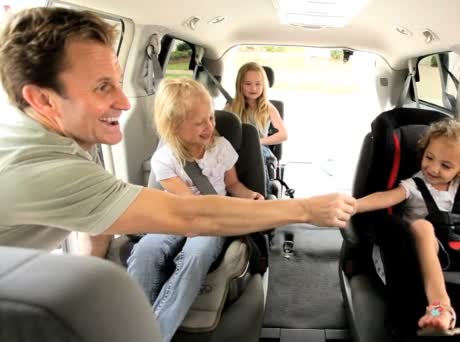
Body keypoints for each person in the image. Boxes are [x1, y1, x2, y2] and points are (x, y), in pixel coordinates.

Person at [0, 8, 354, 255]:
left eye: (120, 83)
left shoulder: (61, 137)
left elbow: (95, 221)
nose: (125, 103)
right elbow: (189, 215)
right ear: (43, 100)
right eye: (102, 87)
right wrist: (305, 209)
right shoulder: (44, 169)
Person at [126, 78, 263, 341]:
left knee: (196, 253)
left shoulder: (220, 147)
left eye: (210, 118)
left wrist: (250, 197)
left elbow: (232, 184)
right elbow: (190, 205)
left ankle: (156, 333)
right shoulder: (164, 160)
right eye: (200, 123)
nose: (209, 126)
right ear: (174, 127)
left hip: (214, 220)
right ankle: (134, 322)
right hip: (180, 215)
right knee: (146, 250)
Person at [354, 120, 460, 336]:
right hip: (424, 246)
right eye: (429, 158)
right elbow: (385, 198)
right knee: (423, 227)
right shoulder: (413, 185)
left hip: (457, 246)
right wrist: (355, 205)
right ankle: (440, 308)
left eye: (446, 165)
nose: (433, 168)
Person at [224, 62, 287, 182]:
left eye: (258, 84)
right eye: (248, 84)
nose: (253, 88)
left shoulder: (268, 107)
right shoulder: (231, 107)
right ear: (240, 85)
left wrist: (258, 142)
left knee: (256, 154)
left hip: (260, 150)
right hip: (237, 150)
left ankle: (262, 191)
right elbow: (222, 132)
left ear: (264, 86)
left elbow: (283, 134)